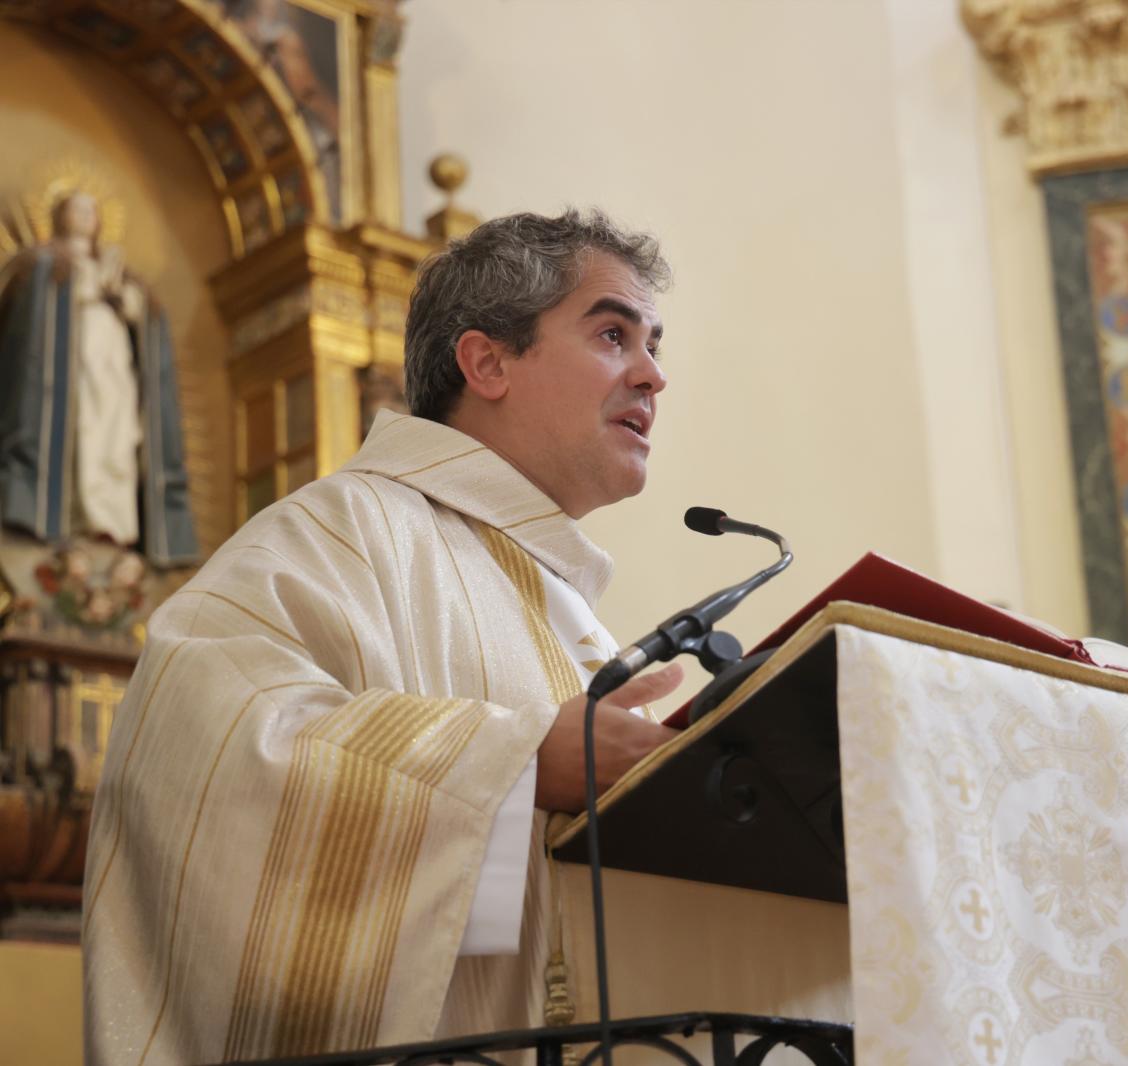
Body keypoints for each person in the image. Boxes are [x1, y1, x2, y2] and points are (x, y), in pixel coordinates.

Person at [81, 210, 686, 1064]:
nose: (653, 375)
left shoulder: (570, 610)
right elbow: (200, 759)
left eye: (655, 345)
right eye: (614, 334)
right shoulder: (342, 530)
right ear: (487, 361)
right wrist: (513, 768)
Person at [0, 190, 198, 567]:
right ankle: (77, 519)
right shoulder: (44, 261)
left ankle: (111, 524)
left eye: (92, 210)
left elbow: (144, 314)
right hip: (67, 362)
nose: (86, 216)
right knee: (82, 432)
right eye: (77, 209)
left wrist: (124, 296)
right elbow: (23, 318)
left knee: (116, 435)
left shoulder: (117, 267)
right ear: (60, 216)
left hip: (112, 357)